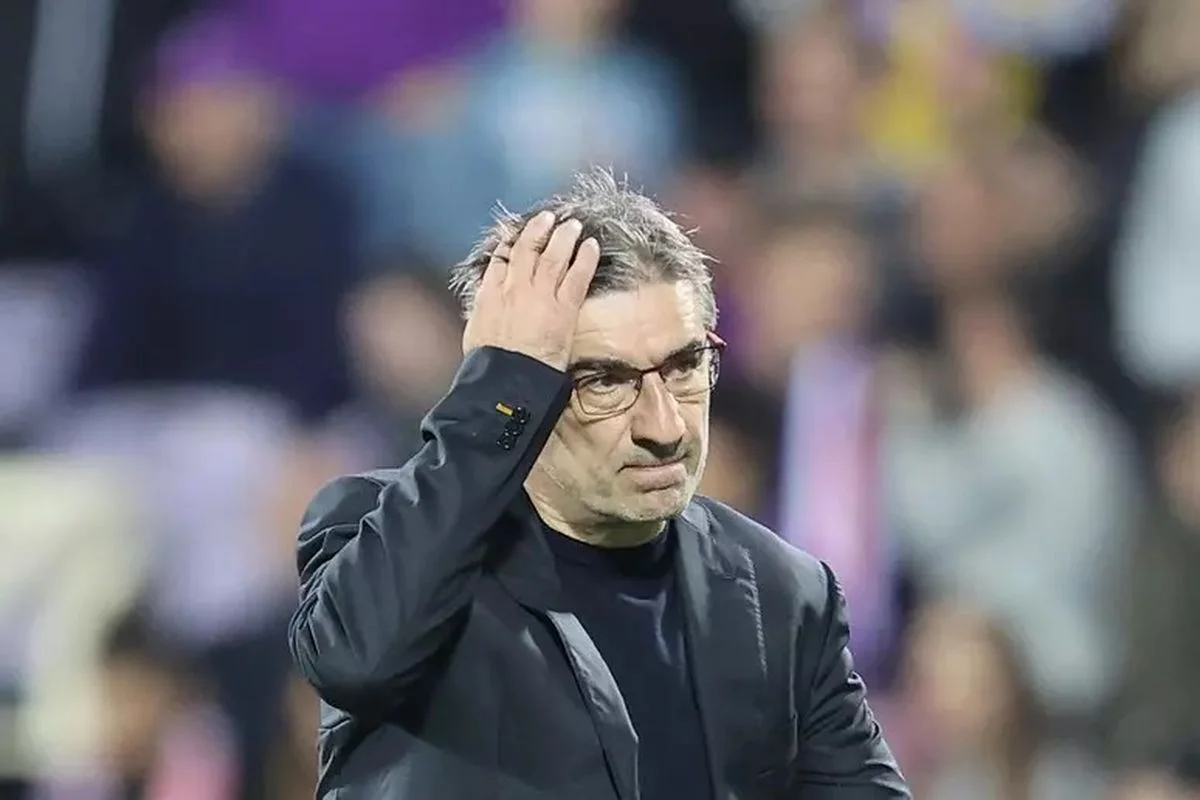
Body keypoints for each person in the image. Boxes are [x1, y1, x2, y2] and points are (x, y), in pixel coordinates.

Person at [287, 168, 910, 799]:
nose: (664, 426)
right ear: (523, 387)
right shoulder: (375, 534)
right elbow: (352, 660)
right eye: (605, 383)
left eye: (686, 366)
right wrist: (496, 388)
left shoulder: (782, 593)